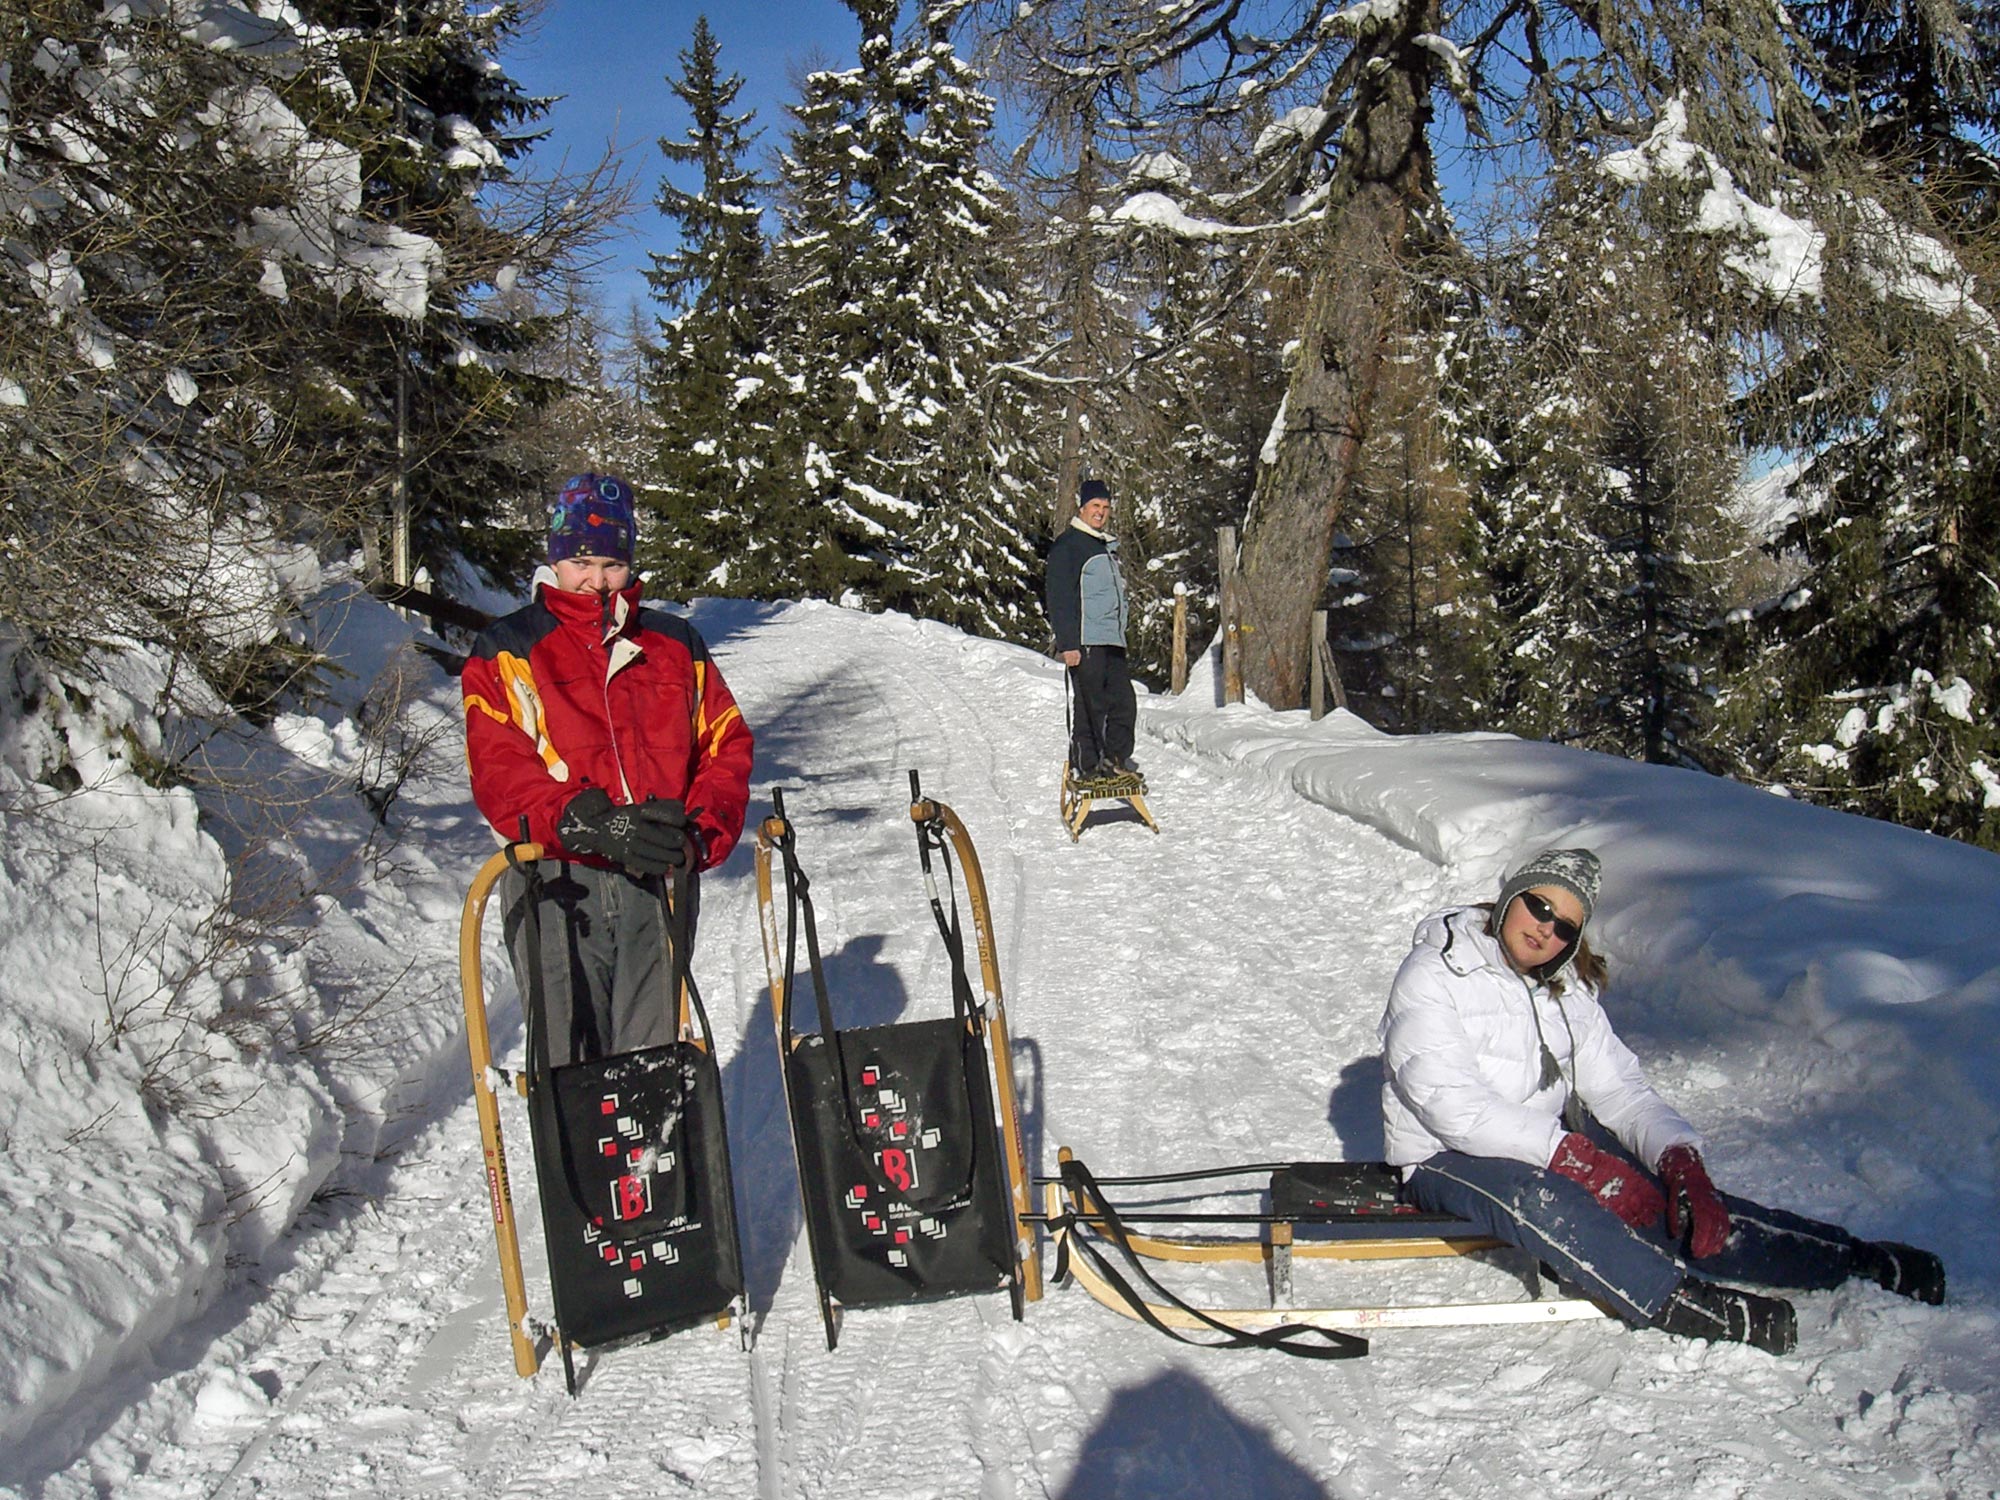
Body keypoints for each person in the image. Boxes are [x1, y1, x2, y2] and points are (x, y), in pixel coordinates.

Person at [1379, 846, 1945, 1356]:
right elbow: (1451, 1106)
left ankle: (1847, 1258)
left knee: (1678, 1204)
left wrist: (1677, 1156)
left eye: (1565, 927)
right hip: (1443, 1154)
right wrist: (1575, 1159)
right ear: (1509, 899)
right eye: (1538, 906)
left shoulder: (1561, 987)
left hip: (1544, 1138)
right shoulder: (1435, 972)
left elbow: (1619, 1087)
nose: (1545, 929)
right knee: (1545, 1199)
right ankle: (1679, 1301)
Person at [461, 472, 754, 1063]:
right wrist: (577, 820)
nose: (596, 580)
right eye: (581, 561)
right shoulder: (510, 646)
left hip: (657, 878)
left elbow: (725, 745)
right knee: (569, 1061)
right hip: (556, 880)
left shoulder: (674, 643)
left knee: (651, 1060)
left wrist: (697, 833)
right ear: (556, 559)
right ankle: (573, 1155)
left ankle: (655, 1158)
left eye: (612, 564)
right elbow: (499, 767)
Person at [1044, 477, 1138, 780]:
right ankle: (1087, 765)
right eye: (1096, 505)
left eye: (1106, 507)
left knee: (1124, 703)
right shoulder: (1068, 546)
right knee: (1089, 706)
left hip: (1111, 640)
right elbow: (1059, 597)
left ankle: (1115, 759)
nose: (1101, 512)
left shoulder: (1104, 547)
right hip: (1085, 641)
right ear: (1082, 507)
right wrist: (1068, 643)